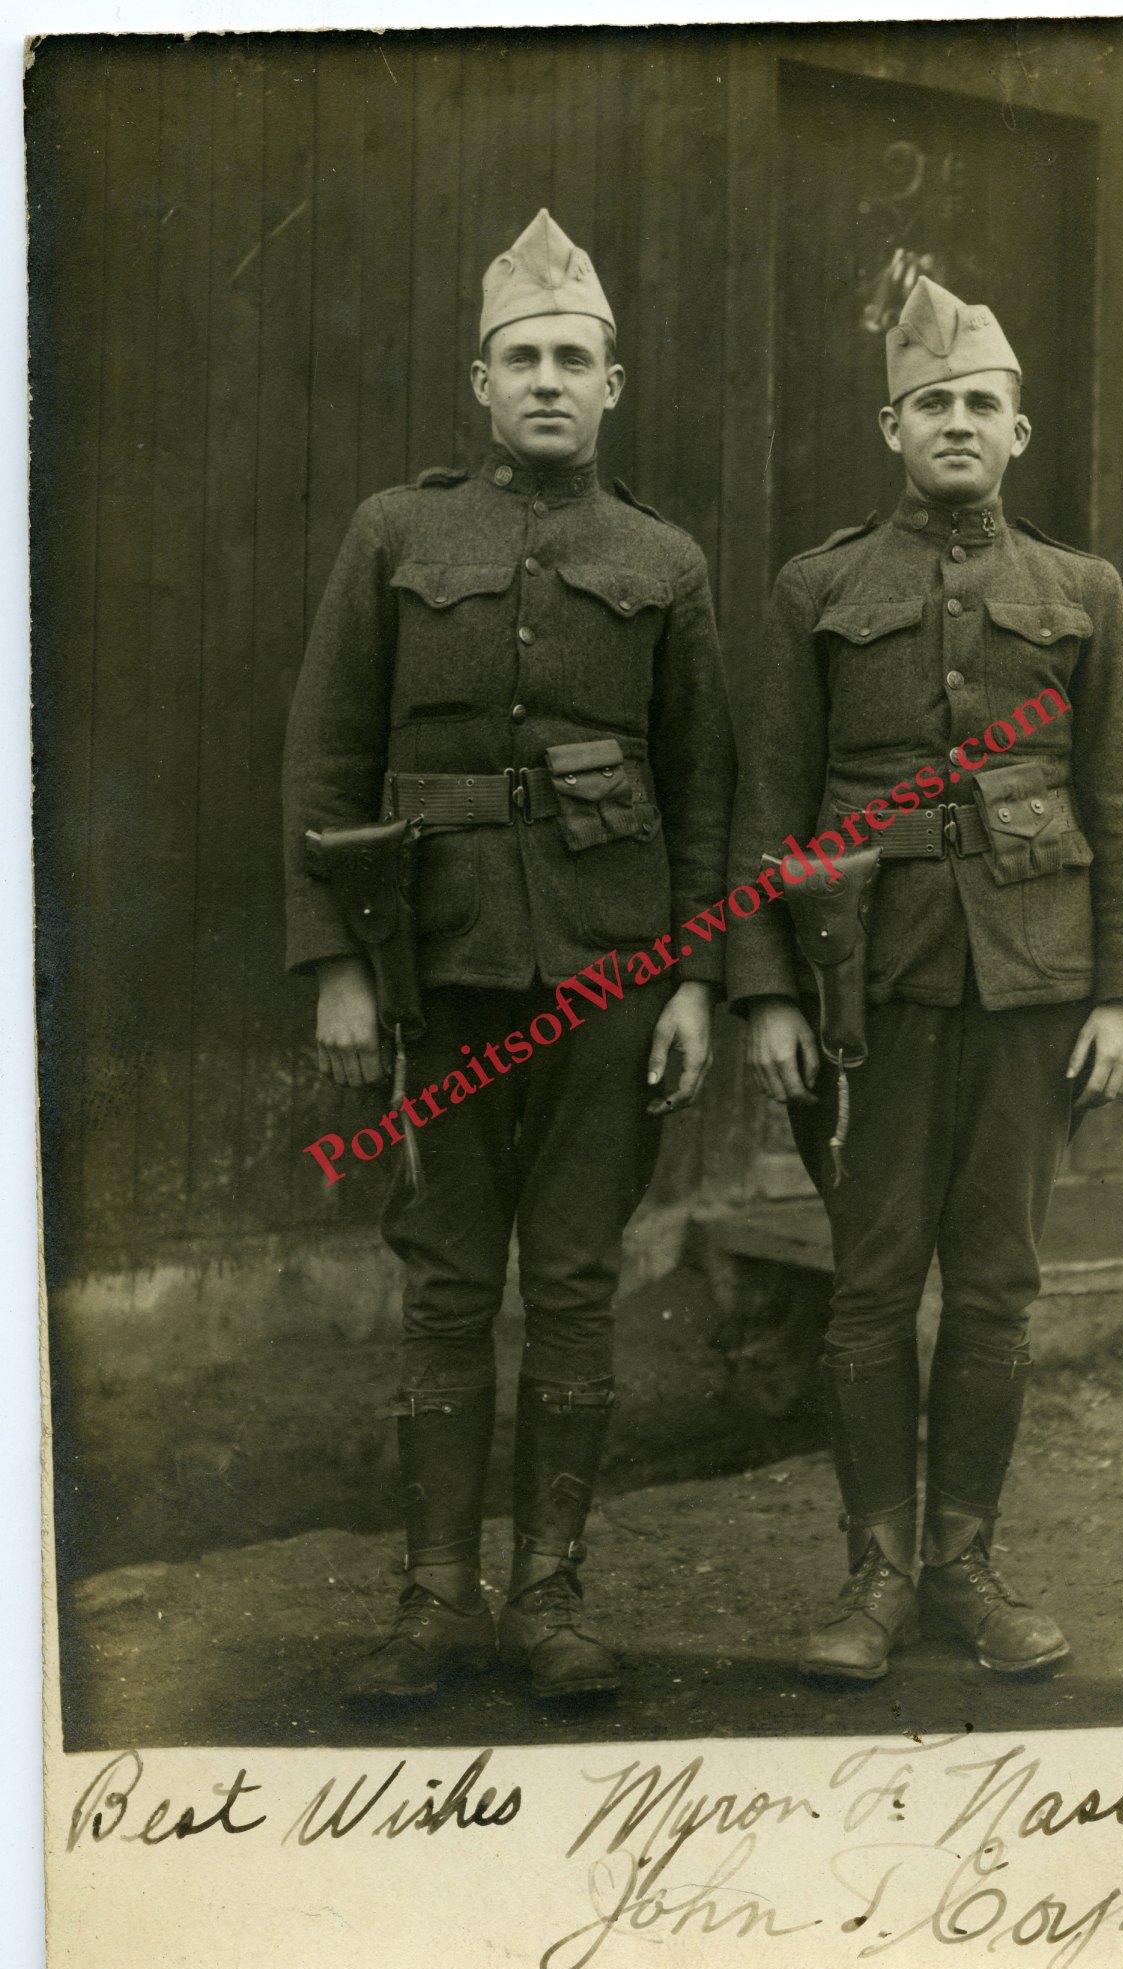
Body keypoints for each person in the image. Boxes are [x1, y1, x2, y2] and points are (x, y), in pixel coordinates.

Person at [283, 210, 733, 1702]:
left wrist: (697, 982)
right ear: (480, 385)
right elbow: (328, 753)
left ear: (616, 385)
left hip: (610, 974)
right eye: (522, 359)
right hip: (445, 967)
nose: (548, 381)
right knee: (448, 1282)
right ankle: (432, 1598)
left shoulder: (664, 561)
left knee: (583, 1282)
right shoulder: (398, 534)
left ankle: (550, 1595)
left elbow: (708, 786)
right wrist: (341, 967)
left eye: (573, 361)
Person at [726, 276, 1123, 1684]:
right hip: (872, 988)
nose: (959, 422)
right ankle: (873, 1578)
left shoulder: (1082, 591)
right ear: (892, 426)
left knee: (996, 1285)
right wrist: (769, 994)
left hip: (1038, 985)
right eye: (934, 403)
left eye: (983, 402)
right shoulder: (820, 587)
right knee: (870, 1288)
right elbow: (770, 805)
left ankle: (965, 1565)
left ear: (1020, 427)